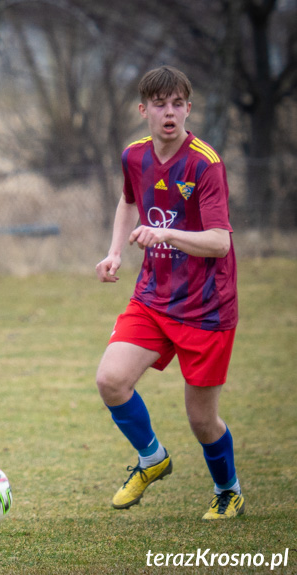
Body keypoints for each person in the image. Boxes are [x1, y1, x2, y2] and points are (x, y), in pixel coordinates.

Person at [94, 65, 243, 521]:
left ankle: (228, 490)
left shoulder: (205, 163)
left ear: (188, 109)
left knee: (201, 421)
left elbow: (220, 240)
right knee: (111, 380)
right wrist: (115, 251)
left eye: (178, 103)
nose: (169, 112)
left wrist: (166, 235)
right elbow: (128, 201)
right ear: (144, 111)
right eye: (160, 104)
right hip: (154, 297)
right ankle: (152, 458)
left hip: (207, 307)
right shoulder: (134, 156)